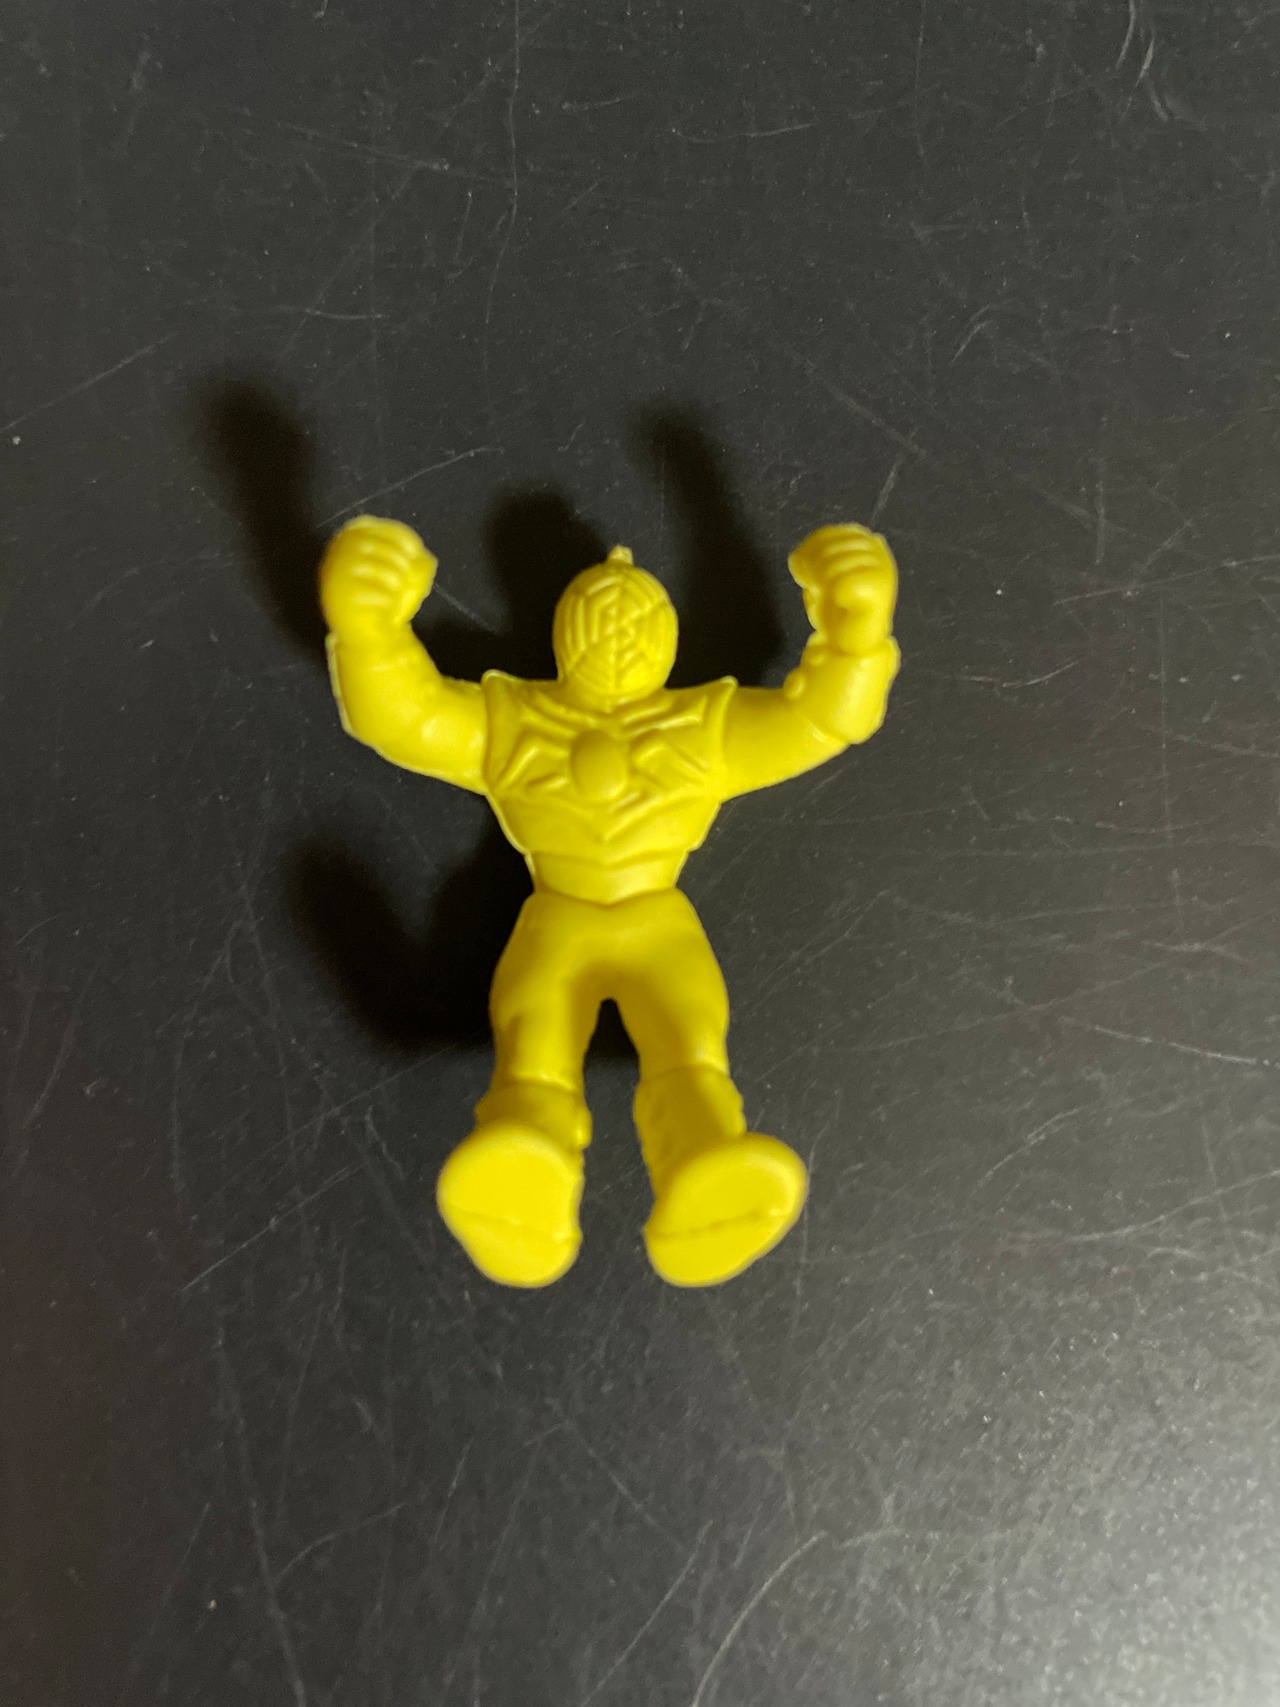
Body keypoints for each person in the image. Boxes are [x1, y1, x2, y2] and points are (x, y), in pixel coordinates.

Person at [320, 513, 899, 1287]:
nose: (620, 635)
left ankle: (705, 1162)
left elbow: (819, 718)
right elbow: (408, 716)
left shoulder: (701, 728)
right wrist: (369, 632)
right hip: (558, 921)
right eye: (602, 620)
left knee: (688, 1041)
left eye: (636, 621)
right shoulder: (517, 721)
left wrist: (855, 636)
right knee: (536, 1041)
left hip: (656, 924)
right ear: (564, 632)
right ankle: (524, 1170)